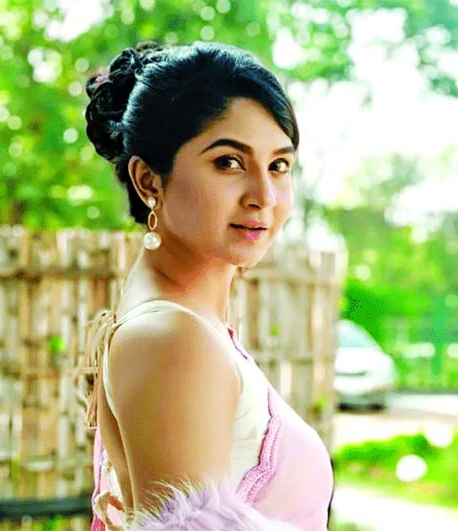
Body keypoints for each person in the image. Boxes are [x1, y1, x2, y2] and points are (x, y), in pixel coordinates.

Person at [78, 40, 334, 531]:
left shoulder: (184, 325)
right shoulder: (172, 337)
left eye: (279, 166)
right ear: (149, 180)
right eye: (228, 162)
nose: (264, 196)